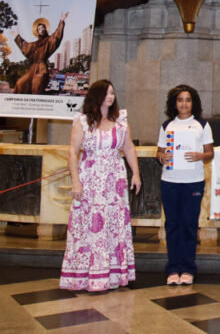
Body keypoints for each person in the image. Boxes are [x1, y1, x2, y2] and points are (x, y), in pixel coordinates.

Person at [60, 80, 140, 291]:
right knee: (89, 225)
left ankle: (112, 275)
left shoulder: (121, 120)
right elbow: (72, 151)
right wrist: (75, 181)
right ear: (96, 96)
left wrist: (136, 174)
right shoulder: (83, 122)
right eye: (106, 93)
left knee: (113, 225)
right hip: (90, 179)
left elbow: (129, 148)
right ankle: (86, 276)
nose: (110, 97)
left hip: (114, 180)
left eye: (112, 93)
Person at [156, 84, 214, 286]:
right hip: (170, 181)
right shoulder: (167, 126)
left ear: (193, 103)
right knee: (172, 225)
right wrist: (163, 156)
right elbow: (159, 152)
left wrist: (201, 155)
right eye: (180, 100)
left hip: (193, 182)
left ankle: (188, 268)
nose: (184, 103)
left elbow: (210, 153)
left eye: (188, 100)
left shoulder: (202, 125)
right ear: (174, 103)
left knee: (189, 225)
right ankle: (173, 268)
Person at [14, 12, 68, 94]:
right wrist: (17, 37)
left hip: (42, 68)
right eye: (39, 29)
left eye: (43, 28)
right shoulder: (34, 44)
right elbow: (26, 47)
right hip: (32, 68)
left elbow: (57, 36)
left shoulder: (49, 40)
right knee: (20, 84)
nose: (41, 30)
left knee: (36, 86)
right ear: (37, 31)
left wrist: (61, 21)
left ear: (45, 29)